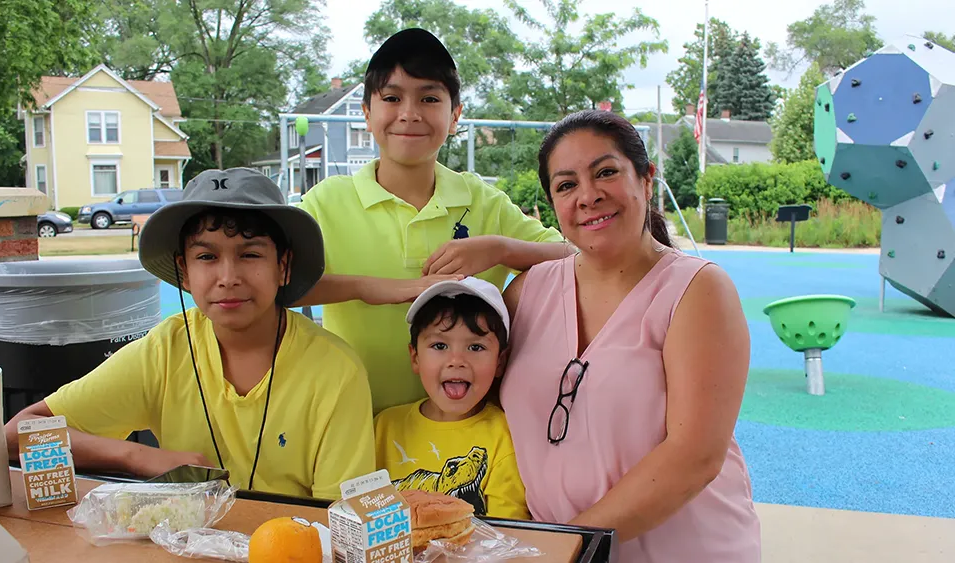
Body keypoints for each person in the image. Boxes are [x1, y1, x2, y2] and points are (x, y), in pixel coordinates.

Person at [4, 168, 376, 500]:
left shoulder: (335, 371)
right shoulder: (165, 352)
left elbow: (338, 519)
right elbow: (18, 434)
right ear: (183, 271)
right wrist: (136, 455)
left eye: (250, 255)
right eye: (207, 257)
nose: (228, 277)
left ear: (284, 266)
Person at [499, 110, 761, 561]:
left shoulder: (696, 291)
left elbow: (693, 457)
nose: (588, 195)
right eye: (566, 185)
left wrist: (563, 546)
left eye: (606, 173)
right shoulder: (526, 293)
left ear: (645, 180)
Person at [295, 28, 570, 414]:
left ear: (455, 115)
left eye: (429, 98)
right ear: (367, 115)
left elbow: (576, 255)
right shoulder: (327, 202)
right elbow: (277, 286)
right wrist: (371, 287)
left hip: (466, 442)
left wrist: (499, 249)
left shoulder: (483, 202)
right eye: (392, 98)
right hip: (358, 432)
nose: (409, 113)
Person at [373, 277, 529, 520]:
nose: (456, 360)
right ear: (415, 357)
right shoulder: (384, 427)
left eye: (475, 347)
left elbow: (508, 531)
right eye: (439, 345)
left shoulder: (506, 435)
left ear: (500, 361)